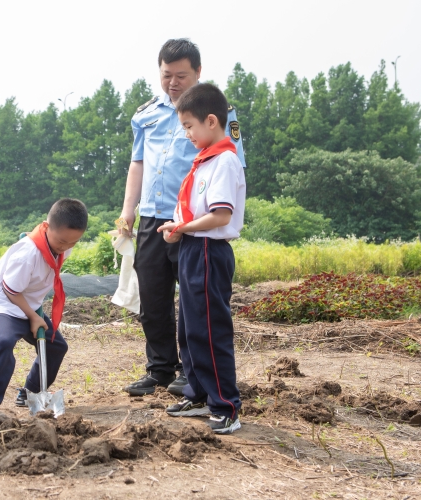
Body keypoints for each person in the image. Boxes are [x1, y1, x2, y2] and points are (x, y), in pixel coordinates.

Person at [120, 39, 245, 397]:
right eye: (166, 75)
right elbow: (138, 164)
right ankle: (160, 368)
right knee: (152, 296)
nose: (173, 83)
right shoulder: (146, 113)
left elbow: (231, 164)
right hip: (152, 216)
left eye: (181, 76)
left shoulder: (217, 112)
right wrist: (128, 210)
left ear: (198, 72)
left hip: (191, 223)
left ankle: (192, 374)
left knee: (193, 302)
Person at [157, 83, 245, 434]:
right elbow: (198, 212)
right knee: (190, 328)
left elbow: (220, 216)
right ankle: (198, 393)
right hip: (194, 248)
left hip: (209, 250)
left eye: (189, 126)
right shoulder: (205, 160)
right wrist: (179, 230)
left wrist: (184, 227)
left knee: (210, 330)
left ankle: (225, 405)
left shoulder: (224, 161)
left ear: (211, 121)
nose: (187, 134)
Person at [0, 199, 87, 430]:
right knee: (3, 342)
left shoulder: (62, 245)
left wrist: (35, 310)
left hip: (27, 305)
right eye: (62, 241)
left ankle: (30, 392)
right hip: (2, 304)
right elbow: (10, 290)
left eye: (73, 242)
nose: (66, 246)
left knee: (56, 346)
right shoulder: (27, 254)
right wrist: (33, 316)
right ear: (47, 226)